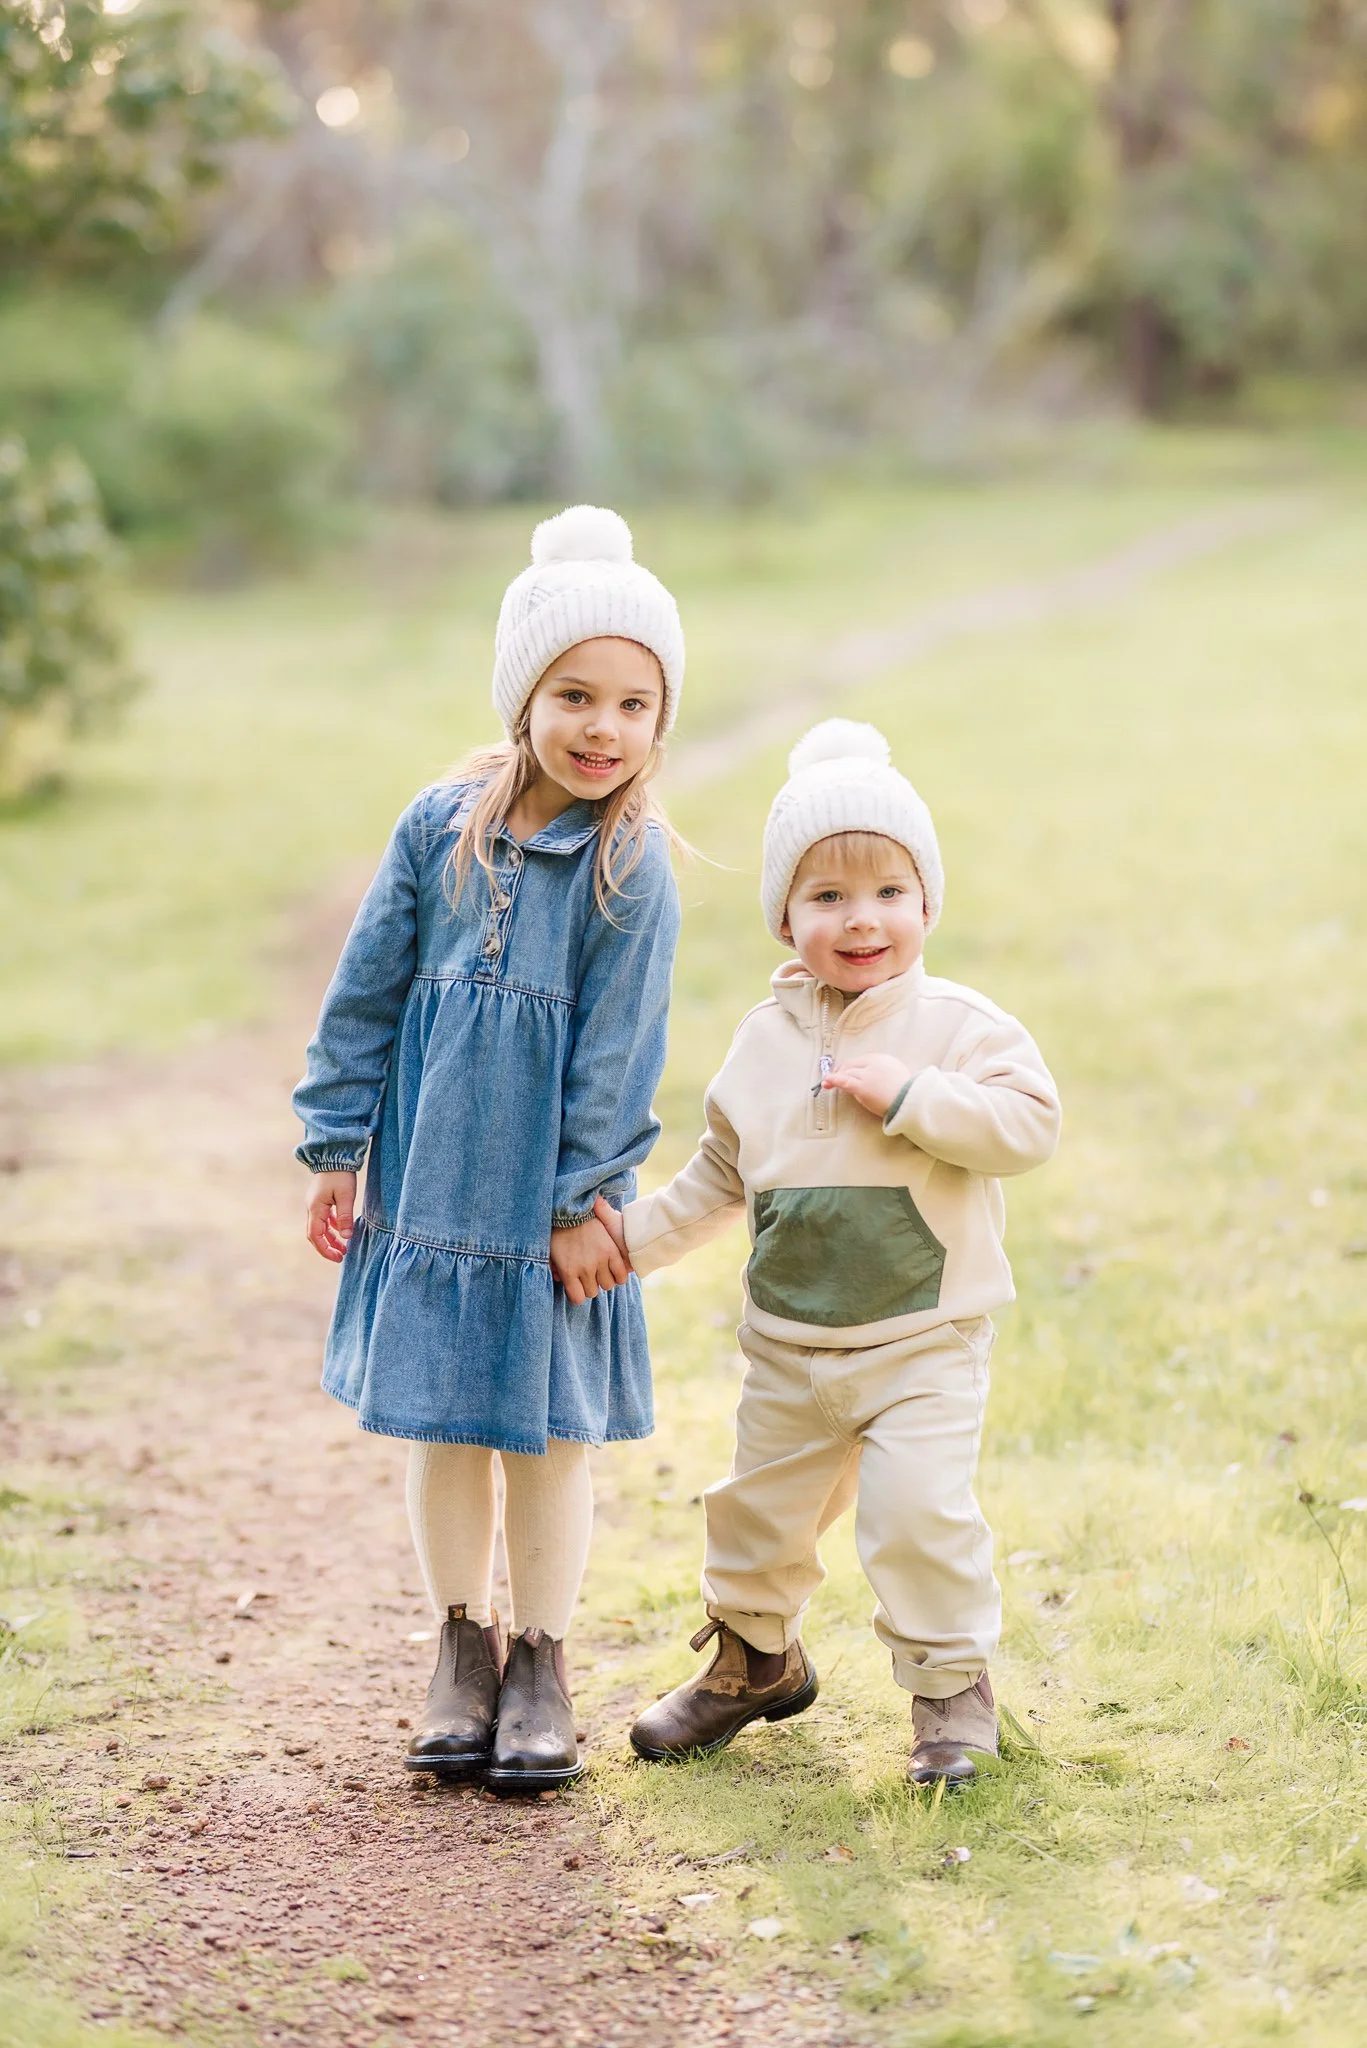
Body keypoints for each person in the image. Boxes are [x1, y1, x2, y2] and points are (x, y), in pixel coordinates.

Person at [293, 505, 685, 1793]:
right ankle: (461, 1644)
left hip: (547, 1209)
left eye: (634, 704)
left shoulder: (632, 863)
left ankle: (543, 1659)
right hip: (427, 1185)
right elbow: (365, 990)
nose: (601, 728)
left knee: (546, 1437)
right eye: (575, 693)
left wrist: (585, 1199)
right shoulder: (436, 825)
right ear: (524, 695)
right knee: (445, 1428)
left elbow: (620, 1051)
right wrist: (335, 1139)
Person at [598, 719, 1060, 1785]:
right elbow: (718, 1173)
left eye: (888, 891)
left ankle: (949, 1690)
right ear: (783, 914)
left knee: (917, 1516)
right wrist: (626, 1242)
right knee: (753, 1514)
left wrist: (911, 1097)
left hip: (921, 1343)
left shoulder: (958, 1027)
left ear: (926, 901)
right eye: (827, 897)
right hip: (789, 1349)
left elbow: (1027, 1126)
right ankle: (754, 1661)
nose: (861, 920)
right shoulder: (764, 1043)